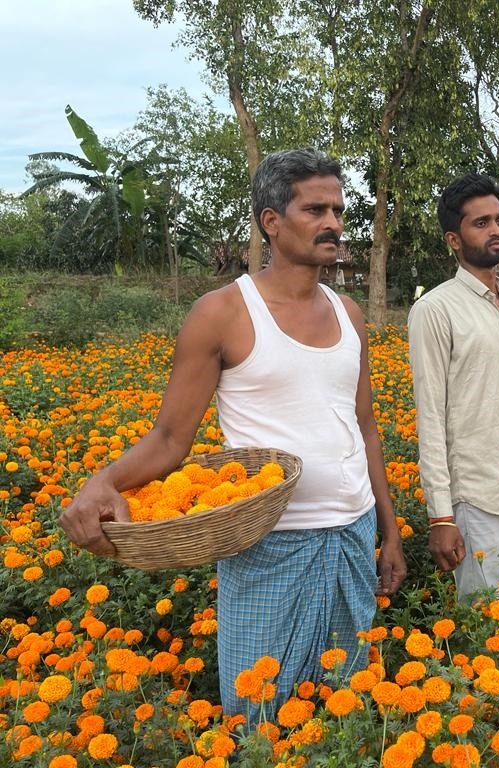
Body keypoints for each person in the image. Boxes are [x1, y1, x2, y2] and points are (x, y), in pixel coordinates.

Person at [58, 148, 406, 719]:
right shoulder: (222, 313)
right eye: (315, 209)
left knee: (343, 708)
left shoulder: (348, 312)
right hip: (268, 543)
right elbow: (171, 439)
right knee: (258, 713)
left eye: (339, 210)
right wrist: (104, 480)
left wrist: (388, 532)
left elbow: (365, 427)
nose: (334, 224)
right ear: (271, 221)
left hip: (351, 532)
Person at [408, 173, 499, 600]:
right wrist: (441, 516)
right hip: (473, 494)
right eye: (481, 223)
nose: (496, 231)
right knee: (481, 619)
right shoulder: (435, 310)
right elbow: (430, 416)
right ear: (454, 239)